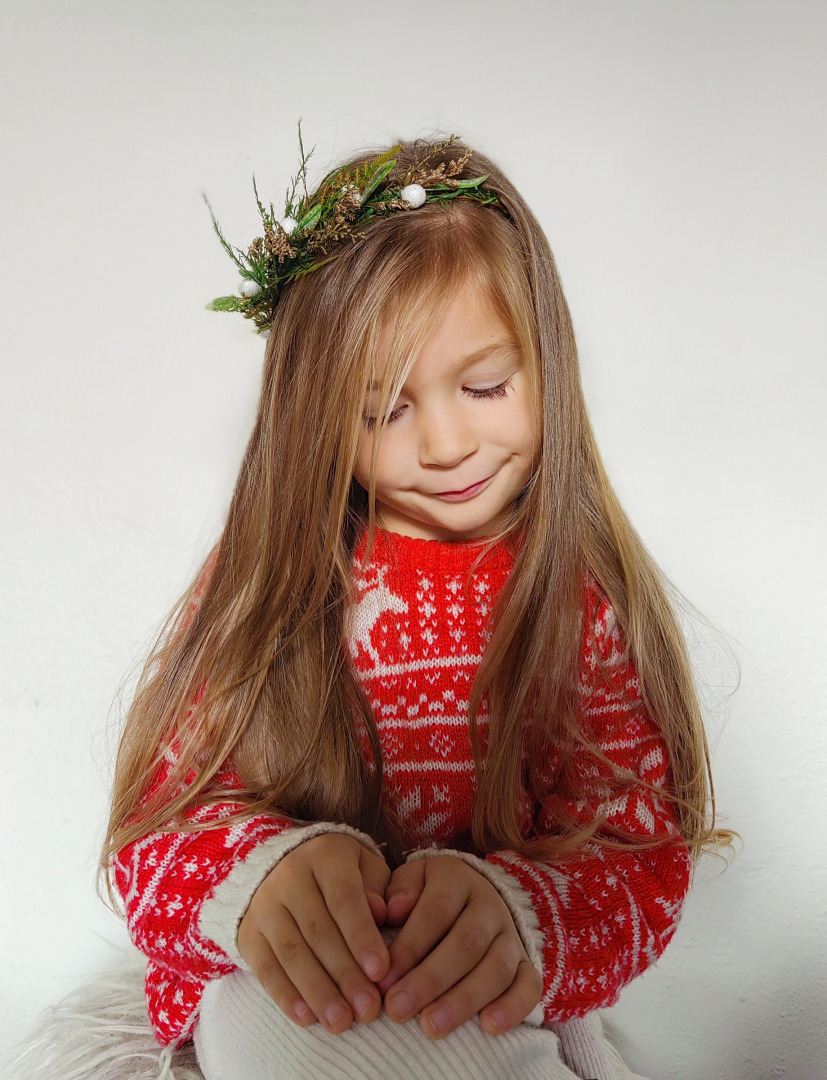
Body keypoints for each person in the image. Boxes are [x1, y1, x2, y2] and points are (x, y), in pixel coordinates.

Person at [100, 129, 732, 1080]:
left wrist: (520, 917)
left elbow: (639, 860)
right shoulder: (275, 586)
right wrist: (257, 880)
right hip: (284, 996)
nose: (444, 444)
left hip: (495, 1002)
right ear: (316, 416)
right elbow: (153, 839)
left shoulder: (578, 604)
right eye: (382, 410)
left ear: (547, 361)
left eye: (485, 386)